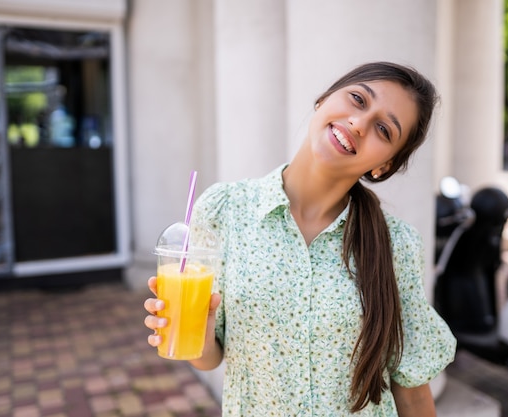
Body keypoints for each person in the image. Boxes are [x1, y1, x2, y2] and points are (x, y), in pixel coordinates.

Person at [144, 61, 456, 416]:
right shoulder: (224, 210)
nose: (358, 123)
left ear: (384, 165)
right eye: (357, 99)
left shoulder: (396, 243)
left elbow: (412, 388)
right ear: (324, 100)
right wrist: (193, 333)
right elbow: (209, 357)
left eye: (383, 130)